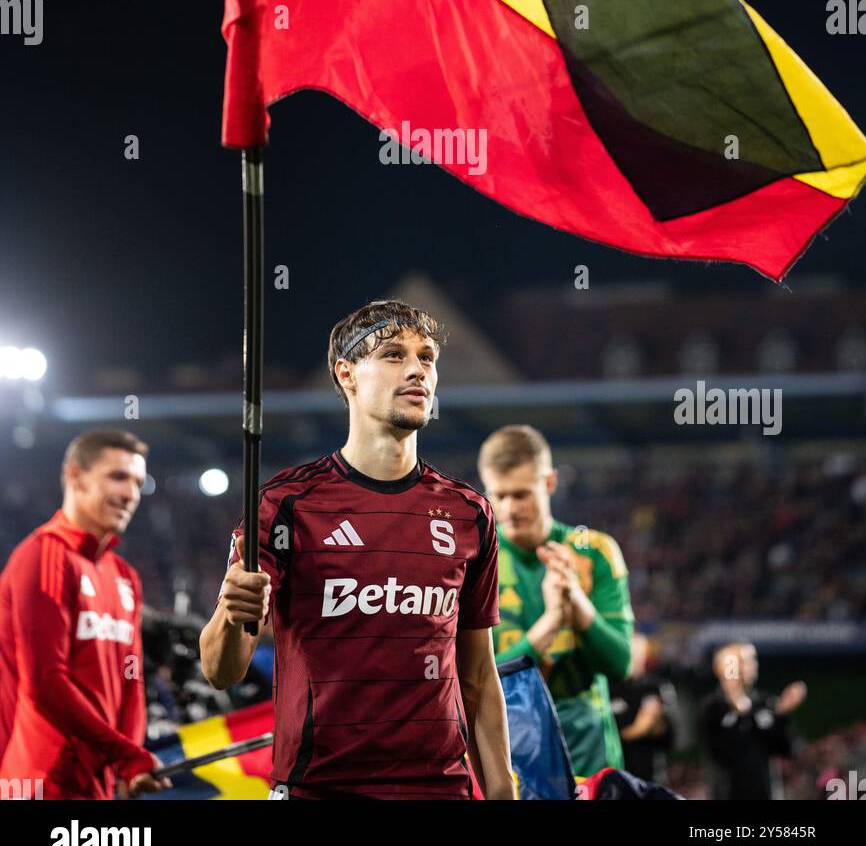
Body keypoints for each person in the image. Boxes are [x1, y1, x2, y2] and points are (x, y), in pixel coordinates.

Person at [200, 299, 515, 800]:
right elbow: (221, 671)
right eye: (393, 355)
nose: (417, 370)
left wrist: (502, 791)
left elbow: (477, 673)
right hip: (319, 789)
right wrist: (232, 613)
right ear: (346, 374)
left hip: (439, 790)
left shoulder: (469, 512)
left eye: (428, 357)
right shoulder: (283, 505)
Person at [0, 429, 169, 799]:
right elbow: (46, 683)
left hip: (97, 783)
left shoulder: (125, 577)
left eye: (138, 482)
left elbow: (131, 681)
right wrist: (126, 752)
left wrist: (129, 761)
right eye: (118, 477)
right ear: (75, 476)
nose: (131, 494)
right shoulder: (43, 556)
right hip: (40, 781)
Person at [478, 425, 633, 777]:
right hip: (512, 765)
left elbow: (621, 664)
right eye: (498, 496)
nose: (509, 508)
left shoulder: (596, 552)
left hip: (591, 761)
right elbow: (477, 678)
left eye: (521, 494)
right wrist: (550, 623)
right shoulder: (475, 559)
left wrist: (576, 603)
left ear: (549, 483)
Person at [701, 640, 806, 800]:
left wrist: (782, 714)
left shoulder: (765, 702)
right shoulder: (713, 706)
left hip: (765, 793)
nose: (752, 666)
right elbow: (720, 751)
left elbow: (788, 748)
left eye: (752, 660)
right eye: (744, 662)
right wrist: (737, 706)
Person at [610, 632, 680, 784]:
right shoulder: (608, 688)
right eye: (631, 650)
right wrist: (640, 727)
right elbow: (607, 737)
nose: (636, 656)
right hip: (618, 780)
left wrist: (654, 724)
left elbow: (672, 737)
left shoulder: (659, 687)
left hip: (653, 780)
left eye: (639, 650)